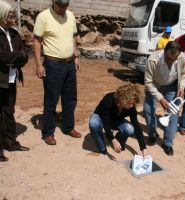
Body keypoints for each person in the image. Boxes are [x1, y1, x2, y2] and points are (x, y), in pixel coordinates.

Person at [33, 0, 81, 145]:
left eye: (66, 5)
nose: (63, 8)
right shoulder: (43, 17)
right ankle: (48, 132)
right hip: (52, 64)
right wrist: (38, 64)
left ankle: (68, 127)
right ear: (53, 1)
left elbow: (73, 37)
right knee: (51, 100)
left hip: (70, 63)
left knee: (70, 98)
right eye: (60, 5)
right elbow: (37, 41)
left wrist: (76, 56)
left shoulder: (70, 16)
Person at [143, 41, 185, 156]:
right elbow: (148, 82)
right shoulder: (153, 60)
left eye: (174, 59)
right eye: (168, 58)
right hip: (154, 85)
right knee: (148, 109)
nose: (171, 61)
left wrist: (182, 86)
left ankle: (168, 143)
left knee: (173, 112)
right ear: (164, 52)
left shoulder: (181, 57)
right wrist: (160, 98)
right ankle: (152, 134)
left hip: (171, 86)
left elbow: (183, 74)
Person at [0, 0, 29, 162]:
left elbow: (24, 55)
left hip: (11, 79)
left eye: (13, 17)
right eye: (9, 17)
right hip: (0, 79)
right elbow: (1, 56)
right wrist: (15, 57)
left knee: (8, 111)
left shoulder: (14, 33)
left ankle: (10, 142)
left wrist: (14, 59)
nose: (12, 20)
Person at [89, 83, 147, 156]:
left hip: (116, 120)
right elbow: (106, 123)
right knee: (93, 124)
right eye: (130, 103)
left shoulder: (131, 107)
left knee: (130, 129)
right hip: (101, 117)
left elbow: (136, 126)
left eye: (133, 104)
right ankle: (102, 149)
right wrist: (112, 140)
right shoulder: (108, 99)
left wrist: (143, 148)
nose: (132, 106)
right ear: (123, 99)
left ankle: (118, 142)